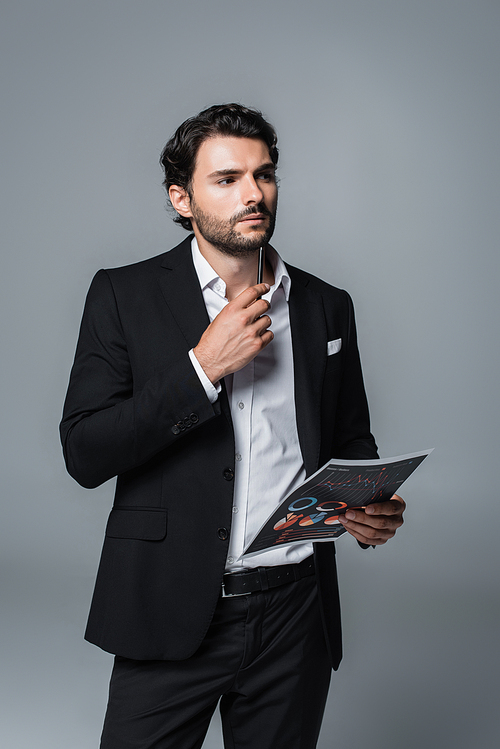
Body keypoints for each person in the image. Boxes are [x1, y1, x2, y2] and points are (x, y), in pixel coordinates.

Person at [60, 103, 405, 749]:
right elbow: (84, 451)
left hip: (296, 609)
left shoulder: (327, 305)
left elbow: (350, 437)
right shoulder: (121, 295)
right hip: (170, 603)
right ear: (181, 197)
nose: (253, 193)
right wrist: (200, 369)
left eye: (264, 174)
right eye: (226, 178)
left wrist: (367, 506)